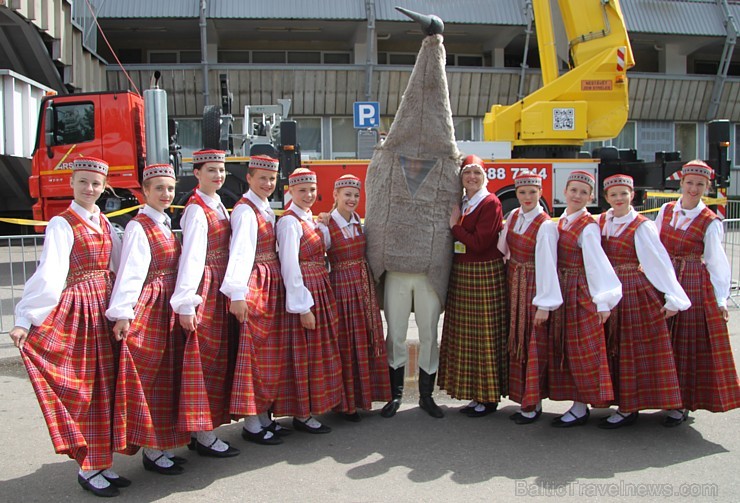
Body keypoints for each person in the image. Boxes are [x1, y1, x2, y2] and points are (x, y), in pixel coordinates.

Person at [9, 157, 125, 497]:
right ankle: (88, 468)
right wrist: (25, 318)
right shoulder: (63, 223)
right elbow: (50, 274)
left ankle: (102, 462)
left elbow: (118, 266)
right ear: (71, 183)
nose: (90, 189)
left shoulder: (104, 222)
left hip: (103, 308)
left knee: (107, 388)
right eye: (84, 182)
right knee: (85, 387)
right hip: (80, 311)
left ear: (104, 188)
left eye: (96, 183)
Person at [106, 163, 189, 475]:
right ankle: (153, 451)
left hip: (166, 302)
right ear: (145, 191)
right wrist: (124, 313)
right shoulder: (139, 226)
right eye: (159, 189)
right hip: (153, 305)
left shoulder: (164, 222)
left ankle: (161, 446)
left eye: (170, 189)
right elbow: (131, 272)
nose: (166, 194)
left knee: (167, 376)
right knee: (152, 378)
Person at [597, 174, 689, 428]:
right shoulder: (603, 221)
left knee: (645, 351)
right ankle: (627, 405)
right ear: (606, 198)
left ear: (632, 196)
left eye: (623, 194)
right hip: (611, 289)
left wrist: (673, 297)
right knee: (618, 349)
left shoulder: (641, 225)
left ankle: (674, 404)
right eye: (613, 195)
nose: (619, 199)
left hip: (635, 292)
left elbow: (658, 263)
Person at [655, 160, 740, 426]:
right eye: (689, 183)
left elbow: (717, 262)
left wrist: (720, 299)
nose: (693, 189)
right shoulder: (667, 210)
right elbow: (654, 244)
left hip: (692, 282)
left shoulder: (710, 221)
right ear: (681, 184)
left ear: (707, 187)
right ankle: (664, 395)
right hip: (664, 278)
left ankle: (681, 403)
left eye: (700, 185)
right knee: (661, 341)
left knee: (685, 344)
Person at [170, 149, 239, 457]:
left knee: (218, 358)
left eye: (221, 170)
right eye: (211, 170)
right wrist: (186, 303)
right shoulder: (197, 210)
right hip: (206, 288)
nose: (218, 175)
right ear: (196, 173)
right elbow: (192, 257)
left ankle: (205, 429)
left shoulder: (218, 204)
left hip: (218, 285)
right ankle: (203, 434)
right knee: (206, 360)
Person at [221, 155, 287, 444]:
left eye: (272, 179)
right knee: (253, 352)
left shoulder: (264, 209)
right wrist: (238, 293)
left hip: (269, 280)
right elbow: (240, 252)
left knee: (266, 353)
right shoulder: (246, 211)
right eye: (262, 178)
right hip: (256, 282)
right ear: (249, 178)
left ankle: (262, 416)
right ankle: (251, 423)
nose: (268, 183)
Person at [548, 170, 622, 427]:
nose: (577, 196)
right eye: (573, 190)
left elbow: (595, 264)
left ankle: (581, 406)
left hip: (581, 290)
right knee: (567, 347)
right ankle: (577, 404)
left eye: (583, 192)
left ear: (591, 197)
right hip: (565, 287)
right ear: (564, 193)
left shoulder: (587, 226)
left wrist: (601, 301)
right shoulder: (561, 221)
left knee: (581, 348)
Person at [437, 155, 508, 418]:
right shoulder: (465, 202)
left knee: (485, 336)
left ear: (484, 177)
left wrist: (455, 226)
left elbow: (479, 243)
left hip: (484, 272)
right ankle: (476, 393)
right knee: (469, 336)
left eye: (477, 173)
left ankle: (488, 397)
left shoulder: (490, 202)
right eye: (468, 174)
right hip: (465, 273)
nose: (472, 178)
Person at [273, 168, 343, 433]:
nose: (308, 195)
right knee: (304, 353)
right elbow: (289, 266)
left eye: (312, 190)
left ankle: (311, 408)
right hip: (305, 290)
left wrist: (324, 224)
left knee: (316, 352)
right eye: (302, 190)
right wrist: (303, 307)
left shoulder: (309, 219)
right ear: (290, 191)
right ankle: (302, 413)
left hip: (318, 287)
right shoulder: (289, 222)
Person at [317, 174, 390, 421]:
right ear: (335, 195)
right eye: (347, 194)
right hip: (341, 287)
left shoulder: (359, 221)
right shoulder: (325, 225)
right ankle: (345, 403)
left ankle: (363, 397)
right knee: (346, 343)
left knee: (366, 338)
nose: (352, 199)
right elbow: (318, 258)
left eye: (356, 195)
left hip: (363, 285)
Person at [497, 172, 561, 424]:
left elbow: (548, 264)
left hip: (534, 285)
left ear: (540, 193)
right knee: (517, 339)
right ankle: (524, 397)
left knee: (532, 342)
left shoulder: (545, 225)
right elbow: (503, 248)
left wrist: (544, 304)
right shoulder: (513, 216)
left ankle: (533, 404)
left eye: (532, 192)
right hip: (515, 281)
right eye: (522, 192)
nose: (526, 197)